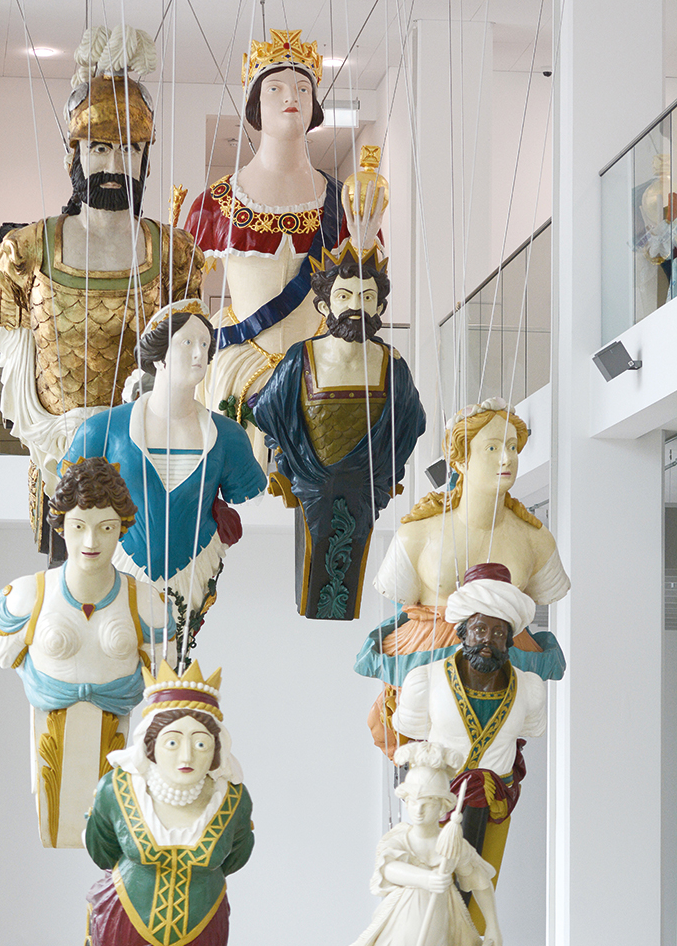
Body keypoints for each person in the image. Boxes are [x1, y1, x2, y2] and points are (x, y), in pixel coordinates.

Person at [0, 24, 203, 551]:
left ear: (146, 158)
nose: (112, 165)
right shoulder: (25, 254)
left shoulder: (175, 256)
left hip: (146, 458)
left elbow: (190, 363)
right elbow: (13, 370)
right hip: (54, 457)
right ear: (75, 155)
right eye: (99, 147)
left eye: (129, 150)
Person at [185, 29, 383, 466]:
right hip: (242, 363)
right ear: (256, 103)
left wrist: (364, 245)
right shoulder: (215, 203)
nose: (290, 96)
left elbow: (369, 298)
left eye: (302, 87)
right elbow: (187, 303)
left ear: (315, 104)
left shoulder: (342, 203)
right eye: (275, 87)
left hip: (325, 360)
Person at [355, 399, 569, 752]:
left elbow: (545, 591)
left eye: (513, 447)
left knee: (496, 752)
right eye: (492, 447)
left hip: (502, 655)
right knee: (419, 750)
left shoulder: (536, 540)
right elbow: (398, 591)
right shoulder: (417, 535)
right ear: (460, 459)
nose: (507, 458)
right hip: (426, 649)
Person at [0, 458, 174, 846]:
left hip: (116, 735)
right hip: (49, 730)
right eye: (79, 527)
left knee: (104, 829)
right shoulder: (26, 596)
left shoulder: (147, 604)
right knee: (56, 821)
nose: (91, 542)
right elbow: (1, 652)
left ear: (121, 529)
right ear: (61, 525)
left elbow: (164, 675)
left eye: (105, 528)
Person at [63, 299, 267, 642]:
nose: (199, 354)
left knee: (175, 654)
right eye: (187, 343)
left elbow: (247, 492)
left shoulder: (228, 437)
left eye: (205, 344)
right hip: (119, 560)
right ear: (159, 354)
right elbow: (68, 502)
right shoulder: (103, 431)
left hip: (195, 564)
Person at [308, 742, 501, 946]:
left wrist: (494, 927)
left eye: (427, 802)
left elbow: (480, 880)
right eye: (413, 801)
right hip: (398, 936)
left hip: (435, 941)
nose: (419, 810)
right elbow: (387, 870)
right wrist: (426, 879)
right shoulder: (399, 838)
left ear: (443, 806)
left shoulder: (451, 842)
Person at [254, 242, 425, 619]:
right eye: (344, 295)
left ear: (379, 307)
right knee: (318, 564)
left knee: (351, 554)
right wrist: (285, 456)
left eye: (367, 297)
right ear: (324, 306)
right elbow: (266, 410)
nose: (355, 306)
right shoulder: (302, 357)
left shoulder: (393, 364)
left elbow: (413, 422)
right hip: (310, 479)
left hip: (365, 482)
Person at [85, 660, 254, 946]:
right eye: (173, 741)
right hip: (125, 924)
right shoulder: (117, 789)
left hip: (202, 928)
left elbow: (238, 853)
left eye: (200, 743)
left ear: (215, 749)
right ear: (151, 745)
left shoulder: (233, 799)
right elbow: (101, 848)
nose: (186, 756)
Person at [393, 564, 546, 910]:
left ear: (508, 639)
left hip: (495, 805)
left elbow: (528, 733)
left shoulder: (530, 690)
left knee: (480, 891)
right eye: (479, 629)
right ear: (463, 632)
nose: (488, 641)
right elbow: (412, 739)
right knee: (430, 895)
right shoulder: (425, 681)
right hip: (436, 805)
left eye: (498, 632)